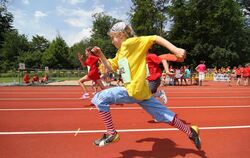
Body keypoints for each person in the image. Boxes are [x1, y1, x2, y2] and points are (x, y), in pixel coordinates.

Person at [90, 22, 201, 150]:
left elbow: (154, 38)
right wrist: (101, 55)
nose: (111, 41)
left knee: (99, 98)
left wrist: (175, 49)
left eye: (112, 38)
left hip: (134, 90)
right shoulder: (121, 52)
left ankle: (111, 133)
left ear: (121, 35)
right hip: (142, 91)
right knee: (165, 115)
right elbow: (111, 67)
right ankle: (191, 132)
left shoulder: (130, 43)